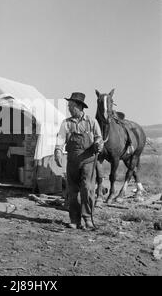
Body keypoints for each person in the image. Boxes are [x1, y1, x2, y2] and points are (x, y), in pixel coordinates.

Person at [54, 92, 103, 230]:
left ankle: (87, 218)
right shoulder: (66, 123)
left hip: (88, 160)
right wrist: (58, 151)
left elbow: (99, 137)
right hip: (72, 161)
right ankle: (75, 220)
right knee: (73, 191)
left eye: (72, 106)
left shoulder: (91, 121)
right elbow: (60, 139)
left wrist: (98, 143)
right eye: (69, 106)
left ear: (80, 107)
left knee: (87, 189)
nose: (69, 108)